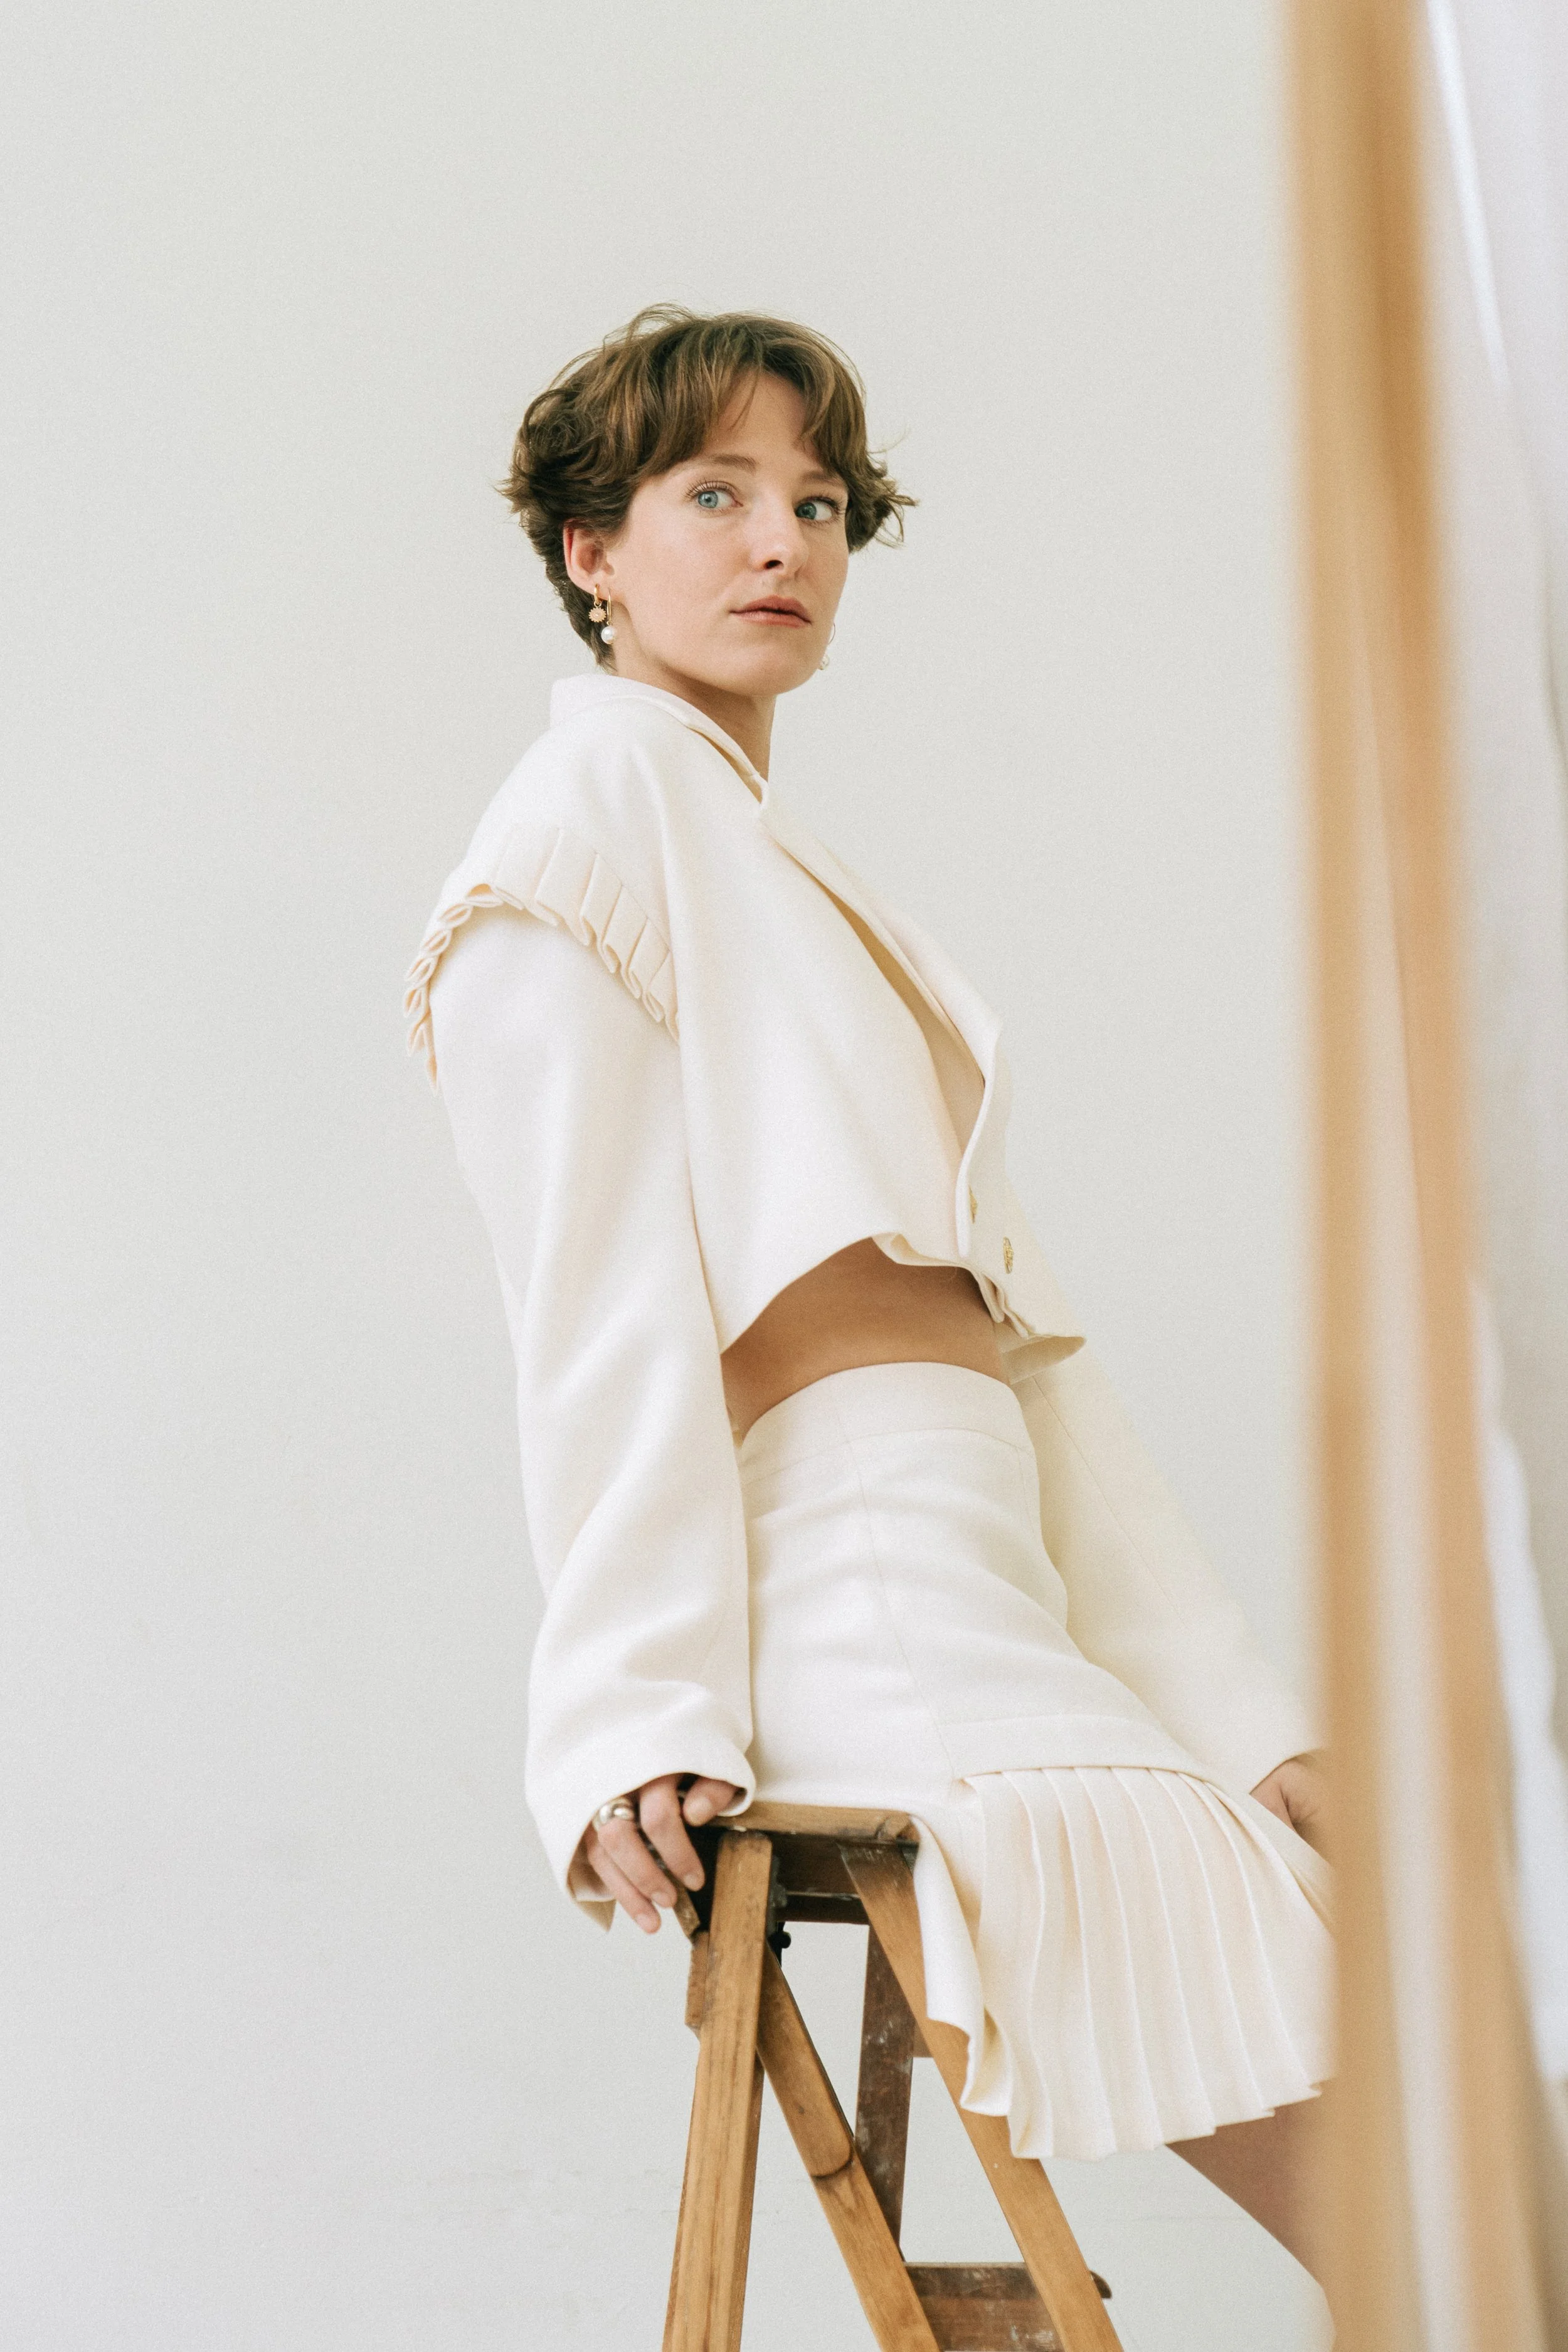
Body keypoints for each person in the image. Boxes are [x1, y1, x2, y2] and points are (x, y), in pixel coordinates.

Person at [406, 305, 1334, 2277]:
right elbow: (594, 1319)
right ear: (590, 548)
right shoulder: (578, 830)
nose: (783, 542)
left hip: (991, 1599)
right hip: (865, 1619)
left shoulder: (784, 869)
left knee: (1449, 2125)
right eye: (715, 494)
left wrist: (1244, 1723)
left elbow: (1029, 1367)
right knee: (1429, 2178)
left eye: (819, 504)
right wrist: (632, 1709)